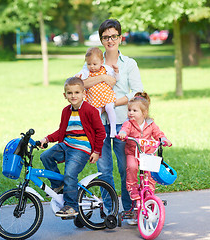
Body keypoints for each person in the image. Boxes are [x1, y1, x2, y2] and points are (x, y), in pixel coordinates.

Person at [83, 19, 143, 212]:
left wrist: (113, 103)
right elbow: (78, 84)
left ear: (120, 38)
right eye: (106, 37)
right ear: (101, 40)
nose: (110, 40)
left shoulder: (129, 64)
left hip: (123, 123)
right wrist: (101, 77)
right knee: (104, 170)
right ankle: (110, 210)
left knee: (127, 168)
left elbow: (137, 92)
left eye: (114, 36)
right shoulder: (93, 60)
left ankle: (129, 208)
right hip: (98, 124)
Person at [39, 77, 106, 217]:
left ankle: (71, 206)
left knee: (70, 174)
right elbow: (61, 131)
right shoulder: (66, 111)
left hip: (82, 149)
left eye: (77, 92)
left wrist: (97, 151)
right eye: (69, 93)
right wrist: (46, 138)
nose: (73, 96)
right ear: (65, 95)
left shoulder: (90, 110)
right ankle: (58, 184)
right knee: (45, 156)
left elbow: (101, 132)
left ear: (83, 94)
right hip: (66, 145)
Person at [118, 92, 172, 224]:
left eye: (134, 110)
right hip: (133, 153)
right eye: (129, 110)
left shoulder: (150, 124)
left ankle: (150, 193)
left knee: (150, 173)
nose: (131, 113)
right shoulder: (129, 123)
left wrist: (163, 139)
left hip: (147, 154)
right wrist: (123, 133)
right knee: (131, 167)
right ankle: (133, 189)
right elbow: (124, 129)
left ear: (144, 112)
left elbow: (158, 133)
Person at [76, 47, 119, 138]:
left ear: (101, 62)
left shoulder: (106, 69)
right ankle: (99, 132)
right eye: (89, 64)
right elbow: (77, 80)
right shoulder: (86, 71)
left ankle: (113, 130)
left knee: (109, 108)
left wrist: (116, 72)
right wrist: (77, 77)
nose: (92, 66)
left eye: (95, 64)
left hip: (106, 95)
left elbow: (115, 79)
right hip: (94, 98)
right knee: (95, 115)